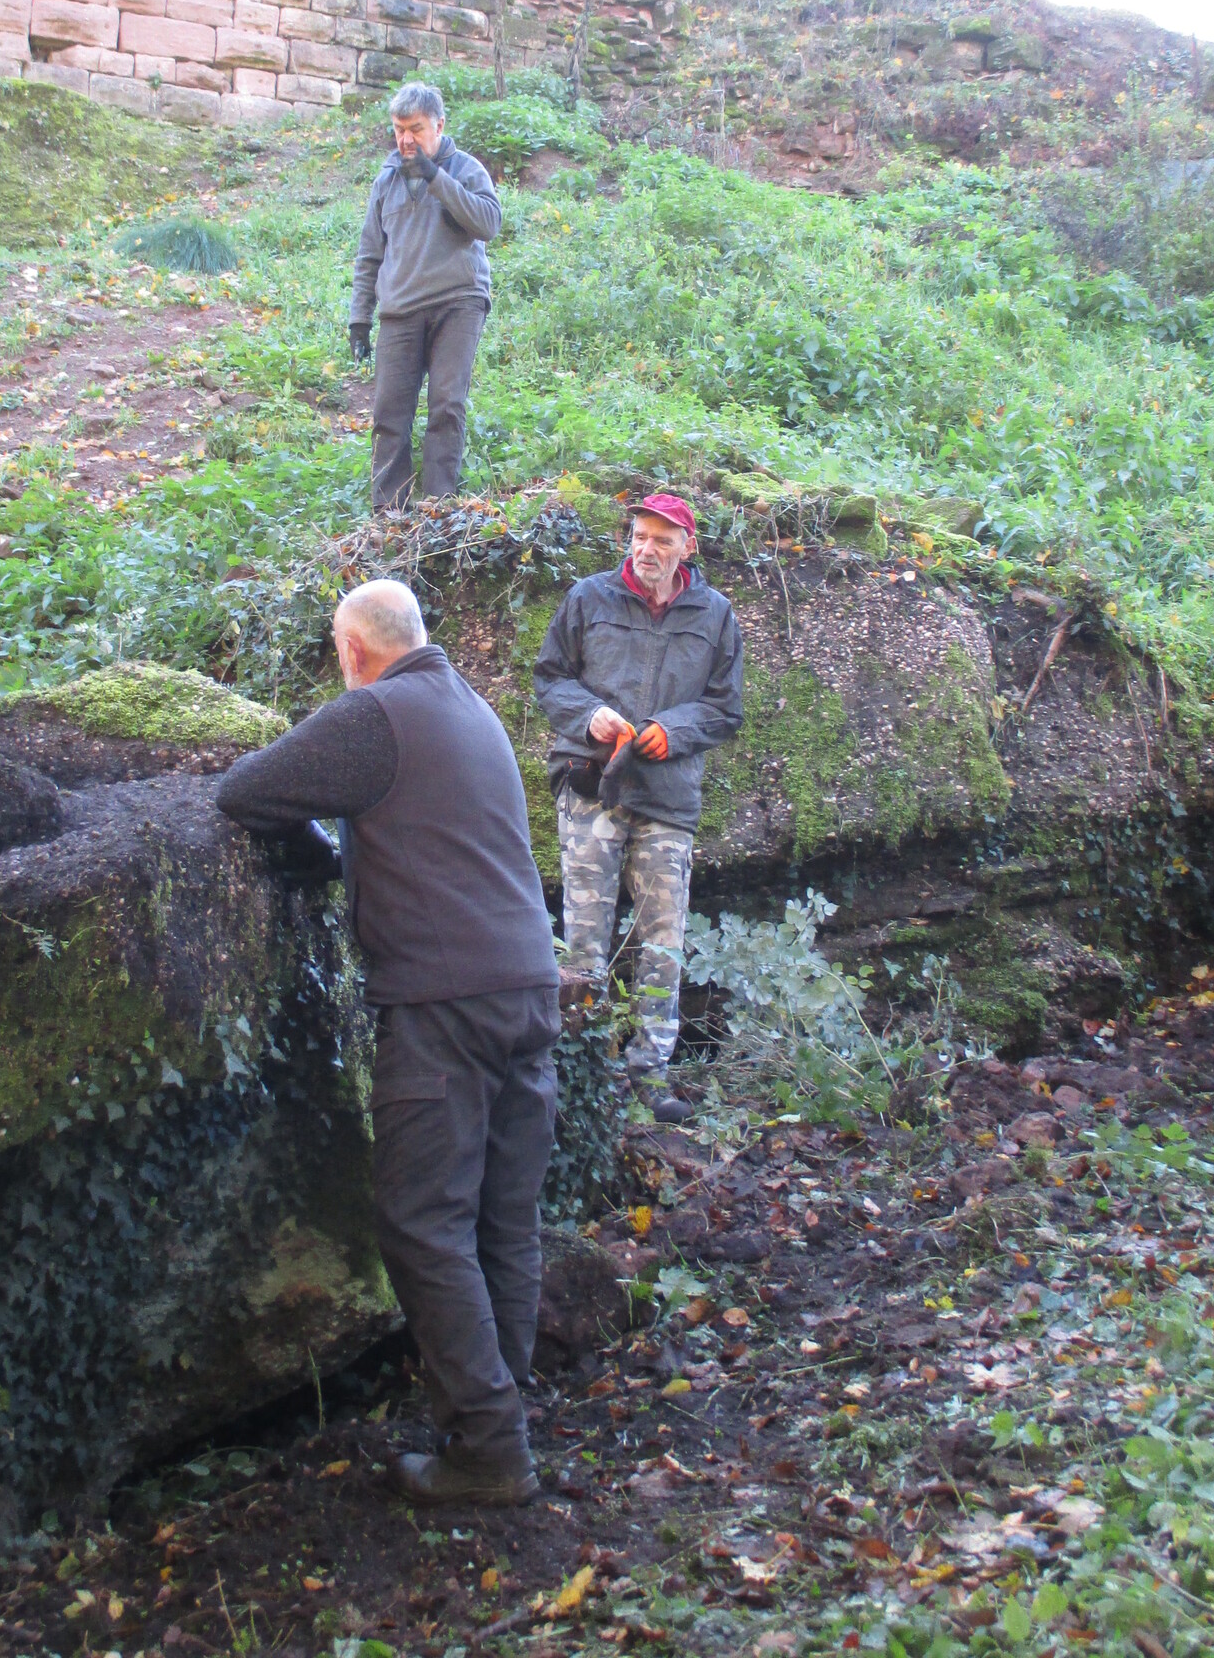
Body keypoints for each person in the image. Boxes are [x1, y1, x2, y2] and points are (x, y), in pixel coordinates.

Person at [215, 577, 559, 1508]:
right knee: (501, 1217)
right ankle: (504, 1406)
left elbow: (246, 792)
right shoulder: (473, 708)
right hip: (529, 988)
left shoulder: (374, 714)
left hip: (445, 1001)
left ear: (352, 649)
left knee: (422, 1223)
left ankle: (489, 1450)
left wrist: (315, 859)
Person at [532, 493, 743, 1121]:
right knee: (584, 941)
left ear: (687, 547)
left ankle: (649, 1078)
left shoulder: (715, 614)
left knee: (663, 942)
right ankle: (583, 1073)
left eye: (661, 540)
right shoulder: (588, 598)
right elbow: (550, 677)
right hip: (591, 785)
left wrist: (673, 731)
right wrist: (588, 715)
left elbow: (725, 709)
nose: (647, 549)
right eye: (639, 536)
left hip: (667, 798)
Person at [349, 81, 501, 513]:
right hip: (400, 310)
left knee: (446, 405)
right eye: (399, 129)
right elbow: (370, 253)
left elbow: (488, 223)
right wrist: (359, 318)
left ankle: (439, 511)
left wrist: (436, 178)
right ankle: (388, 517)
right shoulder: (386, 180)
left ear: (439, 125)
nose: (405, 139)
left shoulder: (466, 169)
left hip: (459, 302)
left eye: (415, 129)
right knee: (388, 415)